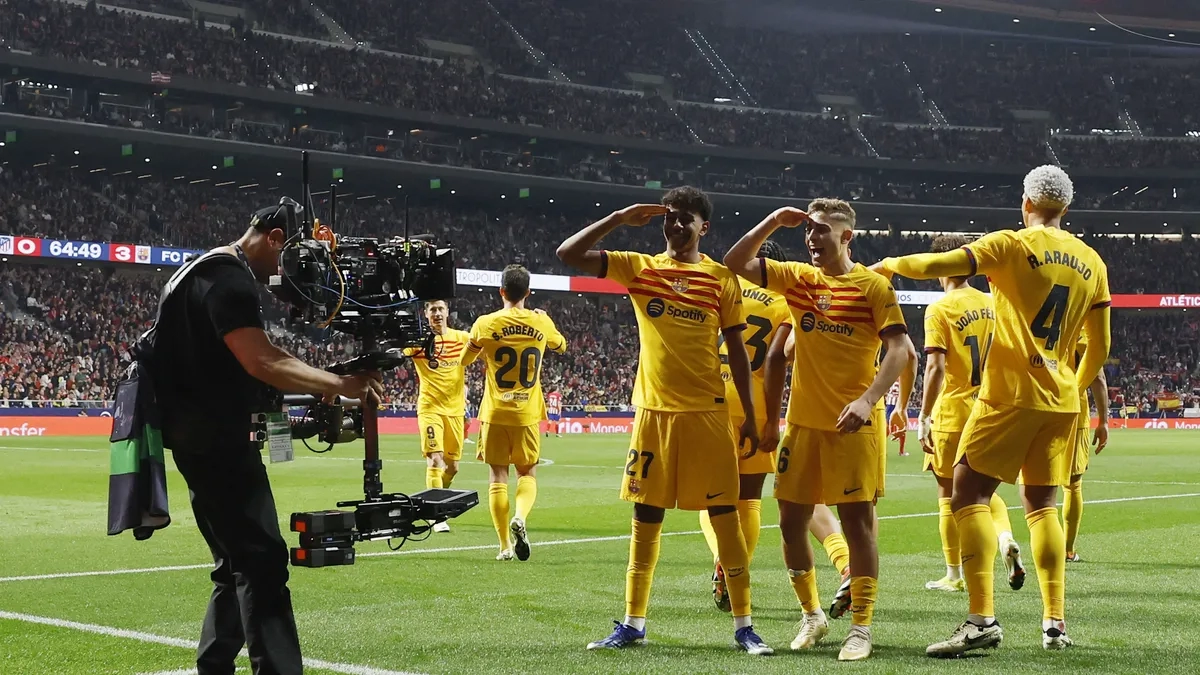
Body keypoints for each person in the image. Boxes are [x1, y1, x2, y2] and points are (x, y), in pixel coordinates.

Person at [874, 165, 1111, 655]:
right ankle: (1054, 624)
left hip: (1007, 395)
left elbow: (938, 264)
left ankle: (981, 618)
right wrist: (1072, 385)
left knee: (967, 492)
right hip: (1062, 402)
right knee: (1042, 505)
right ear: (1065, 209)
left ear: (1026, 203)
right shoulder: (1093, 261)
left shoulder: (1010, 244)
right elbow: (1101, 347)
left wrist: (890, 263)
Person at [149, 203, 382, 675]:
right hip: (219, 443)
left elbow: (253, 360)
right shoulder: (229, 279)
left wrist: (317, 380)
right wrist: (340, 384)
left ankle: (214, 666)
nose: (287, 271)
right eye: (289, 255)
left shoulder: (200, 270)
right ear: (274, 237)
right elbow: (262, 360)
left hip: (198, 439)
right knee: (263, 563)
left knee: (235, 562)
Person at [557, 187, 773, 656]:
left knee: (725, 519)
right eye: (669, 217)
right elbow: (568, 254)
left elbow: (738, 353)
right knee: (645, 520)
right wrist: (618, 217)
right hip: (654, 415)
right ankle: (633, 623)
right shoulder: (641, 268)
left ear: (703, 227)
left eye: (685, 219)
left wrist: (751, 416)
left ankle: (744, 626)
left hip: (709, 415)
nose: (675, 225)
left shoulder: (720, 279)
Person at [723, 199, 918, 662]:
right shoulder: (798, 279)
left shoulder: (873, 287)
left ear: (846, 237)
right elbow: (735, 261)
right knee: (791, 523)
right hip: (803, 426)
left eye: (821, 230)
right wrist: (774, 221)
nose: (812, 238)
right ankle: (812, 614)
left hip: (854, 427)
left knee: (858, 528)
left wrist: (869, 400)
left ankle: (861, 628)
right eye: (808, 230)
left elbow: (900, 350)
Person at [916, 235, 1025, 594]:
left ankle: (954, 574)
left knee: (948, 494)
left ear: (942, 266)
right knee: (983, 489)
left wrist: (924, 416)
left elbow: (935, 367)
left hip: (953, 411)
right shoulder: (993, 303)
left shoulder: (940, 309)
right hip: (989, 409)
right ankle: (1004, 537)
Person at [701, 238, 792, 614]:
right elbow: (776, 361)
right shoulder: (785, 303)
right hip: (753, 402)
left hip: (713, 399)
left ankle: (721, 559)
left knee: (711, 498)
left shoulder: (724, 287)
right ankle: (733, 569)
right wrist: (772, 418)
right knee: (750, 498)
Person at [465, 265, 566, 561]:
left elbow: (464, 360)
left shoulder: (485, 323)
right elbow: (561, 345)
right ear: (528, 293)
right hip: (526, 414)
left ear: (501, 291)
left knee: (497, 475)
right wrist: (545, 327)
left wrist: (484, 350)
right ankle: (520, 517)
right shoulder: (541, 321)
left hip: (495, 412)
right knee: (527, 471)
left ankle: (504, 546)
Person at [402, 299, 470, 533]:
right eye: (433, 309)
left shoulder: (461, 338)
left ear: (448, 312)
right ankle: (436, 515)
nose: (437, 313)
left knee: (452, 467)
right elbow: (397, 353)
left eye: (441, 309)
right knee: (434, 459)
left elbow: (486, 345)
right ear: (426, 314)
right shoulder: (419, 342)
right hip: (430, 408)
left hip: (455, 411)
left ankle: (440, 497)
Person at [1064, 334, 1111, 562]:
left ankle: (1036, 543)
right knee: (1072, 484)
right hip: (1071, 407)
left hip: (1034, 402)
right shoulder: (1079, 328)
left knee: (1036, 488)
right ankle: (1067, 550)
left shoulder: (1029, 318)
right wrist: (1103, 421)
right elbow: (1097, 377)